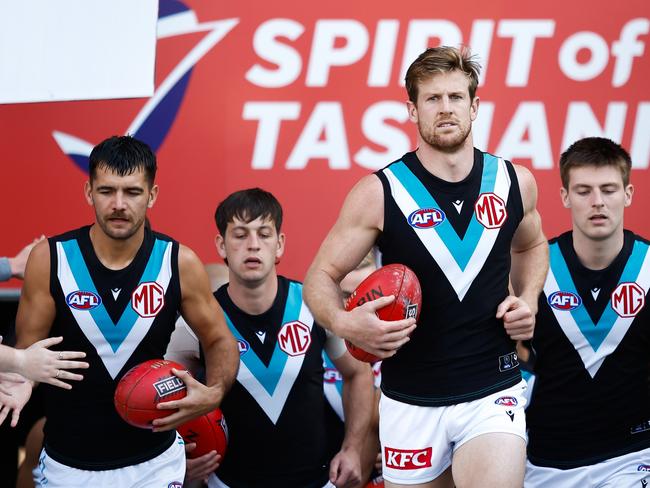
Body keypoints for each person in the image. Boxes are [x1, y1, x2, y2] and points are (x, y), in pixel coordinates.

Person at [303, 45, 548, 488]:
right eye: (432, 99)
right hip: (409, 398)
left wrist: (528, 298)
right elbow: (318, 277)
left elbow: (532, 246)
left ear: (474, 106)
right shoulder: (380, 191)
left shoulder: (514, 182)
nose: (446, 109)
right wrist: (343, 321)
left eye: (456, 97)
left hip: (493, 390)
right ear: (412, 110)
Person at [0, 135, 239, 487]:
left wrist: (215, 391)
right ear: (88, 192)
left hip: (156, 462)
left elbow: (219, 339)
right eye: (107, 190)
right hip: (70, 463)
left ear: (152, 195)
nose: (119, 204)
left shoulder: (178, 262)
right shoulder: (50, 259)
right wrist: (21, 381)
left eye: (132, 192)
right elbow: (29, 351)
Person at [165, 188, 375, 488]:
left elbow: (359, 374)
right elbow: (162, 396)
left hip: (316, 482)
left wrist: (353, 449)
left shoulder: (314, 304)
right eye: (239, 235)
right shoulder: (197, 320)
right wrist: (177, 460)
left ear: (280, 245)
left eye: (264, 234)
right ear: (221, 245)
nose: (253, 245)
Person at [524, 137, 650, 487]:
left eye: (608, 189)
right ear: (564, 197)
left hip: (635, 456)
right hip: (545, 464)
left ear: (628, 194)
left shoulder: (649, 267)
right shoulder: (533, 267)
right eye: (583, 191)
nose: (597, 202)